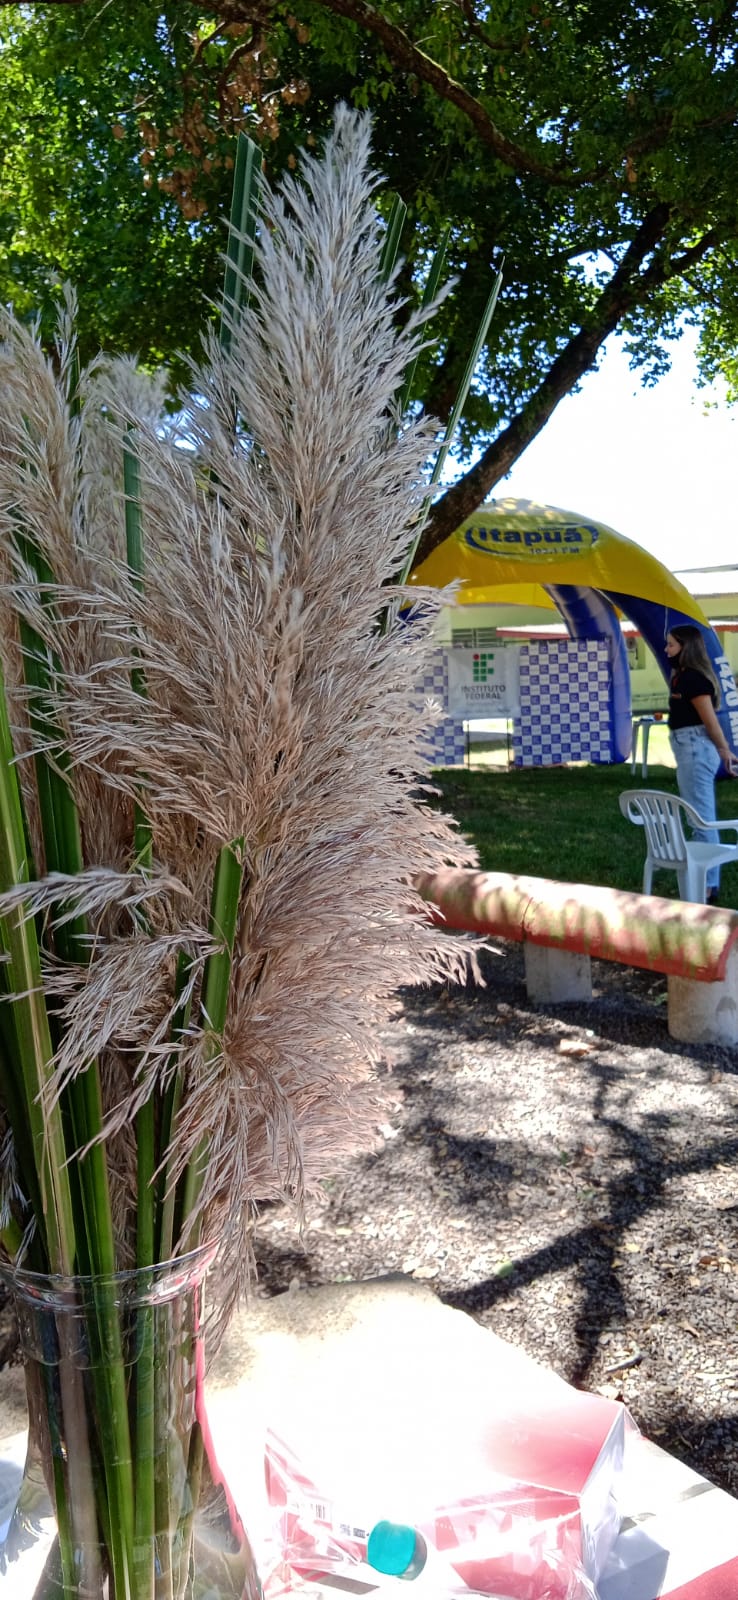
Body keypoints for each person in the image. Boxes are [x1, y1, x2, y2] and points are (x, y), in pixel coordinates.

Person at [666, 625, 738, 903]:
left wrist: (724, 750)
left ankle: (707, 887)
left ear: (686, 648)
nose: (667, 650)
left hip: (695, 748)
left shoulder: (693, 679)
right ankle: (706, 883)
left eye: (671, 645)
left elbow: (710, 721)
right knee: (697, 818)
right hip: (687, 747)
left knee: (702, 821)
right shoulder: (681, 676)